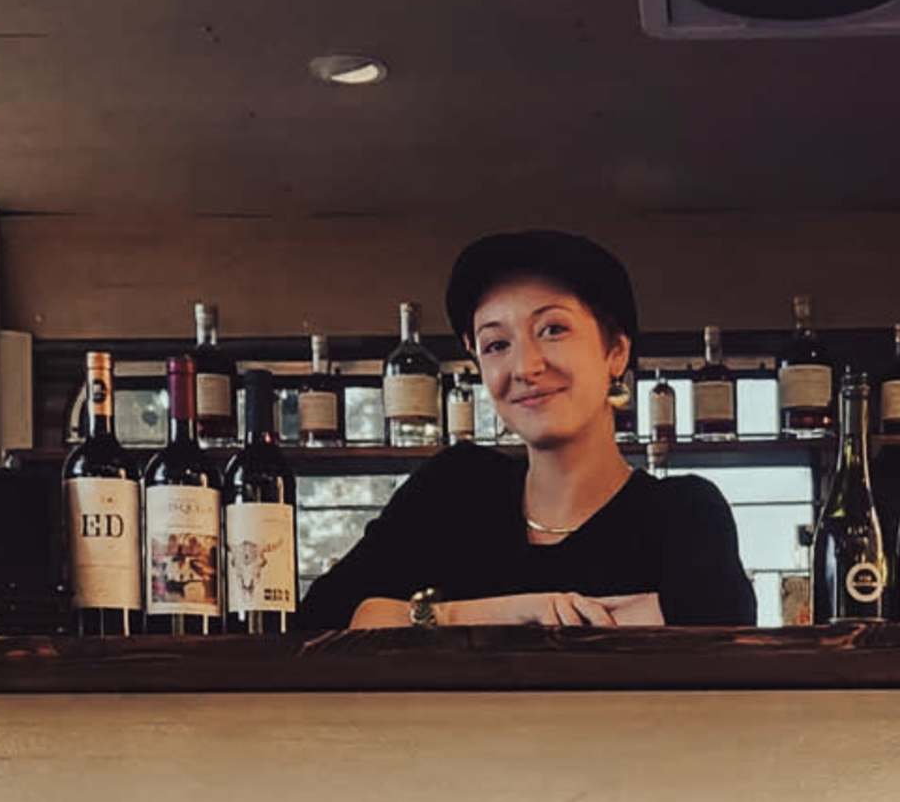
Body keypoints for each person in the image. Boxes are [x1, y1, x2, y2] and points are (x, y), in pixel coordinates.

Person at [297, 231, 757, 631]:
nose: (525, 367)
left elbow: (718, 623)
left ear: (615, 352)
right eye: (496, 344)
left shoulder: (681, 512)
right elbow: (325, 617)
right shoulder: (455, 490)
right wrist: (506, 613)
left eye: (553, 329)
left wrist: (411, 618)